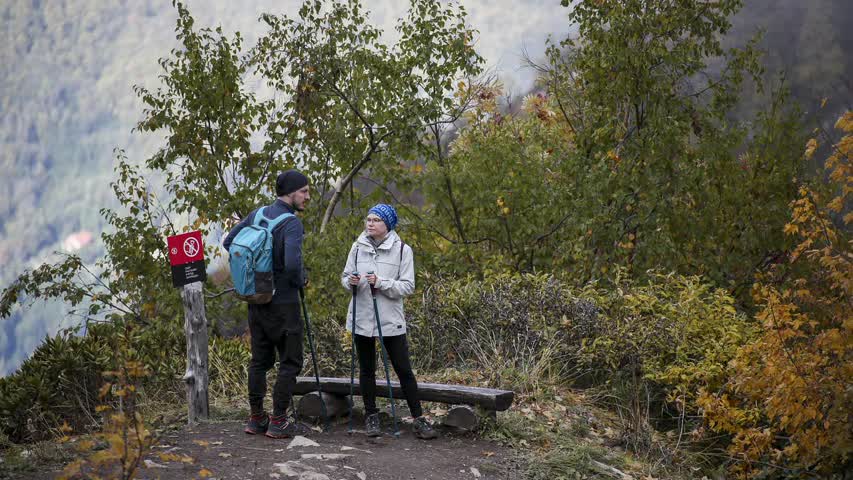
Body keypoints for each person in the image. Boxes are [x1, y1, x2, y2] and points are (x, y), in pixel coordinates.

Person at [223, 170, 310, 439]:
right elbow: (294, 265)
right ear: (291, 193)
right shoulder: (291, 223)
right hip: (283, 302)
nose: (307, 197)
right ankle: (279, 421)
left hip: (257, 299)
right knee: (290, 361)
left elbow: (229, 242)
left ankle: (256, 418)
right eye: (304, 192)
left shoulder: (257, 214)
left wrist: (259, 271)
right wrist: (300, 280)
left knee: (259, 361)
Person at [341, 204, 438, 439]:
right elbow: (345, 278)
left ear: (388, 225)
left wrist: (381, 282)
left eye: (376, 220)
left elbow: (407, 286)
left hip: (389, 320)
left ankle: (419, 419)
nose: (370, 223)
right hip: (362, 316)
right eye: (368, 219)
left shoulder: (403, 250)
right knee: (367, 369)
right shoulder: (357, 247)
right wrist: (351, 282)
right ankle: (371, 416)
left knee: (403, 369)